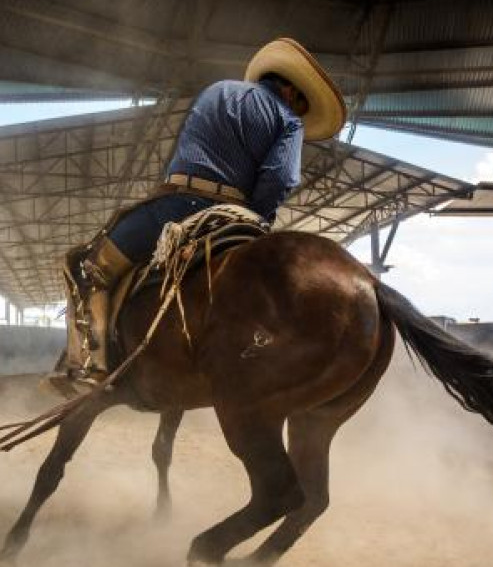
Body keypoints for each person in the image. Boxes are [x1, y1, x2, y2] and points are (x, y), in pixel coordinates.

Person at [54, 37, 346, 386]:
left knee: (92, 268)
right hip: (237, 215)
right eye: (300, 106)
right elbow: (280, 178)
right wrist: (257, 219)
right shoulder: (289, 122)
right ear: (292, 93)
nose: (299, 113)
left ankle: (90, 366)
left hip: (177, 206)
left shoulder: (217, 91)